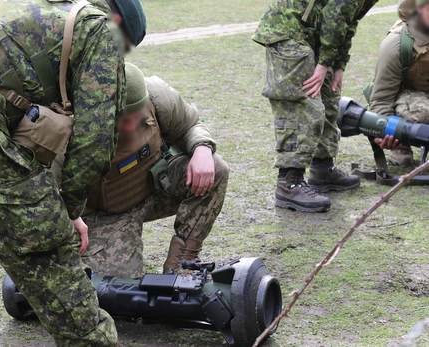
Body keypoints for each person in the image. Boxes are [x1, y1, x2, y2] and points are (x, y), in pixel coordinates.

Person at [0, 0, 146, 345]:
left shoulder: (26, 7)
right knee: (52, 259)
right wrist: (69, 212)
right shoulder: (98, 28)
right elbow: (95, 141)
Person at [52, 63, 229, 277]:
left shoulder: (157, 95)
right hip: (108, 214)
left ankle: (183, 263)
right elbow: (42, 189)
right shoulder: (70, 128)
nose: (130, 126)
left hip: (157, 187)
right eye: (122, 119)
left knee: (216, 168)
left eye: (136, 116)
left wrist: (202, 147)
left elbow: (191, 124)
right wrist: (71, 217)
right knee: (117, 286)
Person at [252, 0, 378, 212]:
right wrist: (325, 62)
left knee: (329, 98)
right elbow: (336, 11)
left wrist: (338, 64)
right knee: (302, 106)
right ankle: (288, 182)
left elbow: (349, 19)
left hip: (313, 35)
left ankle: (322, 168)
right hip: (289, 31)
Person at [370, 0, 429, 166]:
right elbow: (382, 99)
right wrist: (385, 132)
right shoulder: (396, 45)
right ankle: (402, 145)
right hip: (408, 102)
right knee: (423, 111)